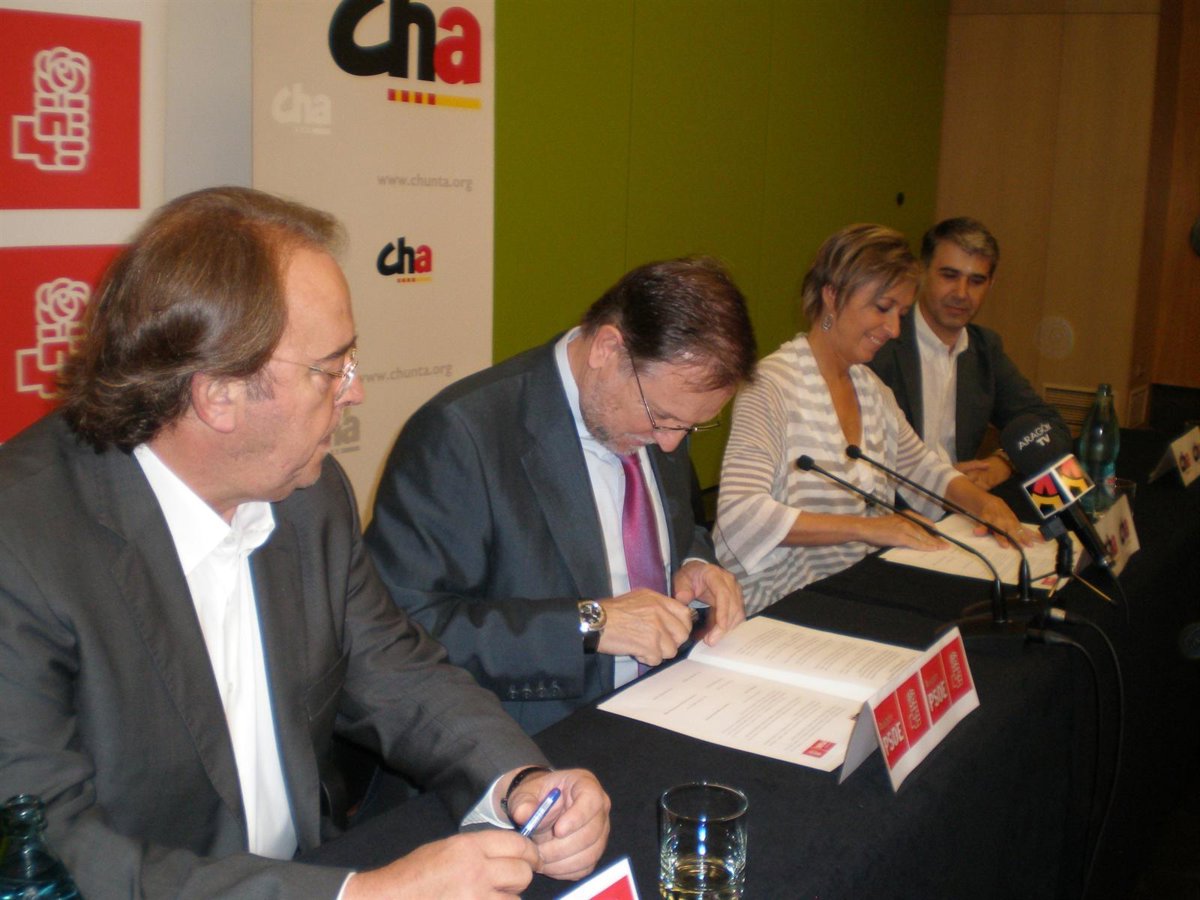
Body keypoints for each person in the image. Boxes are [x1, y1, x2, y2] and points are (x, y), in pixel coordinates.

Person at [0, 187, 609, 899]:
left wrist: (518, 782)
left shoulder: (308, 496)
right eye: (331, 368)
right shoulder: (23, 545)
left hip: (315, 864)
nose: (354, 392)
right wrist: (360, 896)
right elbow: (50, 847)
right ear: (218, 394)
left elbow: (395, 670)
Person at [366, 257, 757, 735]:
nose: (671, 443)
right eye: (663, 418)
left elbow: (679, 523)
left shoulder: (663, 406)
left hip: (668, 701)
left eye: (691, 426)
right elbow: (406, 626)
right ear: (608, 349)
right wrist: (590, 624)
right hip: (535, 737)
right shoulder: (463, 434)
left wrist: (695, 564)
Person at [714, 224, 1031, 614]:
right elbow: (740, 516)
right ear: (832, 295)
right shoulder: (770, 386)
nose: (894, 329)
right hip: (777, 605)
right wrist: (870, 528)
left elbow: (922, 469)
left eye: (901, 313)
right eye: (882, 308)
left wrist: (984, 504)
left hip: (850, 589)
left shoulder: (872, 390)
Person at [868, 217, 1069, 490]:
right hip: (897, 503)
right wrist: (939, 483)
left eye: (976, 281)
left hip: (964, 502)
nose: (961, 293)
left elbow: (1050, 426)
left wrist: (1004, 462)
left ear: (990, 284)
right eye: (949, 276)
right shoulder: (881, 341)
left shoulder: (985, 349)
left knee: (1055, 491)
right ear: (922, 273)